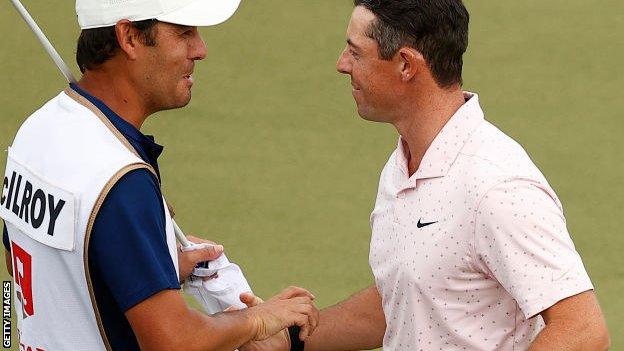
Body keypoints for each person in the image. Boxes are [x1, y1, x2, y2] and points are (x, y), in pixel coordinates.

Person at [242, 0, 611, 350]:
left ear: (406, 64)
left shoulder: (497, 186)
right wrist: (290, 340)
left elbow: (582, 331)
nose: (341, 64)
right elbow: (410, 297)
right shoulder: (405, 162)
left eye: (355, 52)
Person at [0, 0, 318, 350]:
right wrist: (256, 320)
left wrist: (143, 269)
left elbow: (24, 262)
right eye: (184, 33)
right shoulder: (121, 180)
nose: (200, 50)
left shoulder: (37, 129)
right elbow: (173, 343)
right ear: (129, 37)